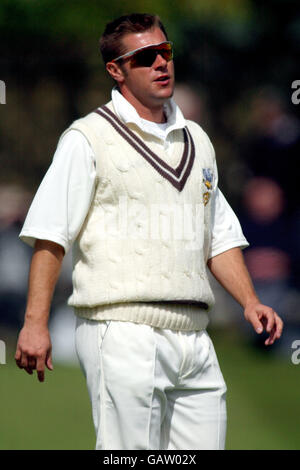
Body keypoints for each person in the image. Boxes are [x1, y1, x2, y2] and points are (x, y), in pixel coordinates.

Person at [15, 13, 283, 450]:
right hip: (120, 328)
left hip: (196, 333)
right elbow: (51, 235)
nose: (162, 63)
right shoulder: (87, 138)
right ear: (116, 70)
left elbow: (217, 234)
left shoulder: (197, 139)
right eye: (145, 57)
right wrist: (34, 324)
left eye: (166, 51)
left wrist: (251, 302)